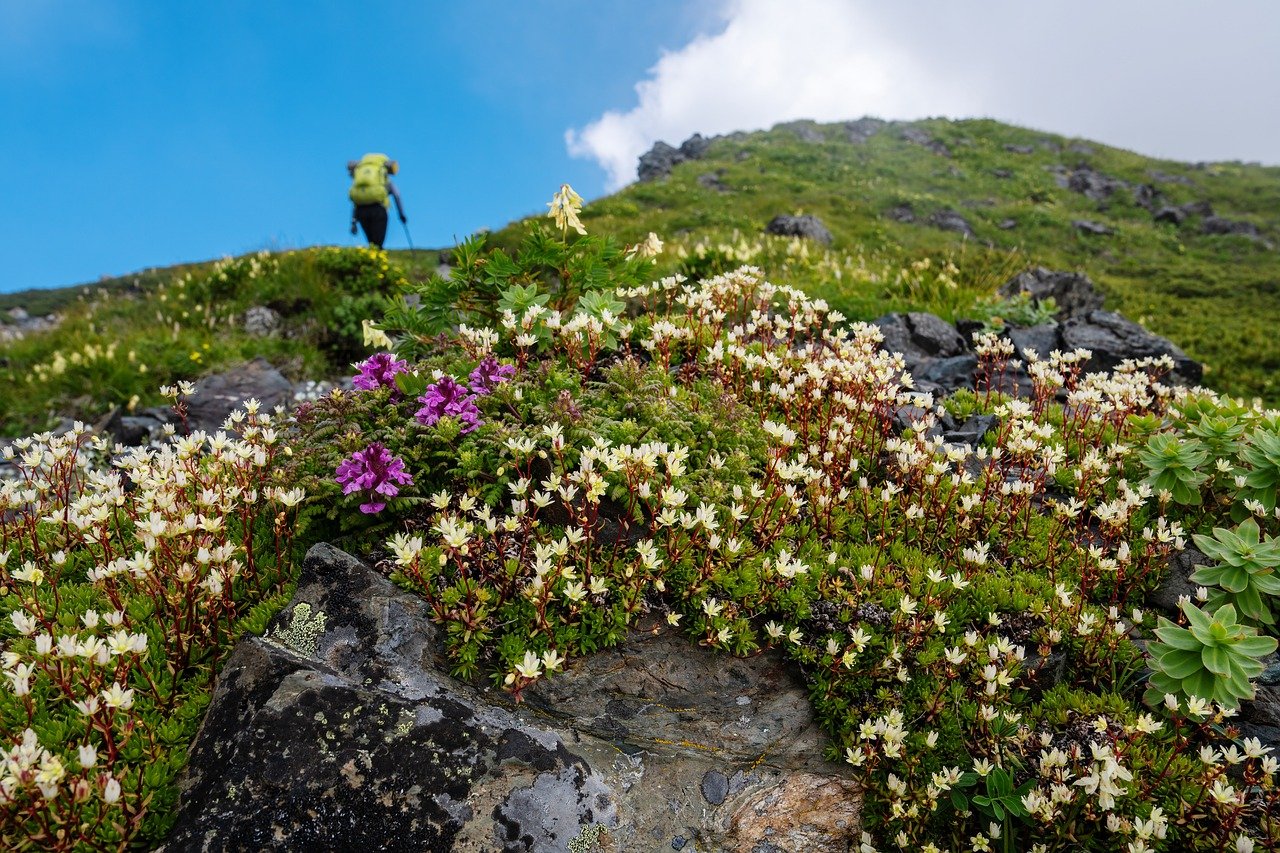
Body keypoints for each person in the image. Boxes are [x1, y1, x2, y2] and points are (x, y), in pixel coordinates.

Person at [347, 153, 406, 249]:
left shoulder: (360, 172)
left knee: (371, 242)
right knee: (378, 242)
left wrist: (353, 221)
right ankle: (378, 260)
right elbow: (396, 195)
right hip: (379, 209)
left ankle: (373, 258)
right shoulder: (382, 175)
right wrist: (401, 214)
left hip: (361, 211)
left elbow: (356, 200)